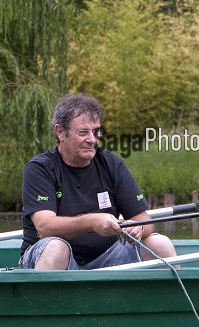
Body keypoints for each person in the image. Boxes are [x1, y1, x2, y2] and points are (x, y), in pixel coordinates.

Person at [20, 93, 174, 270]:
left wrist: (138, 229)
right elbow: (45, 227)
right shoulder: (40, 168)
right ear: (60, 132)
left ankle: (173, 298)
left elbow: (144, 220)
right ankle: (43, 297)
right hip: (50, 256)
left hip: (106, 259)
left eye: (96, 131)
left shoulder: (112, 165)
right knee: (56, 247)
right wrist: (92, 222)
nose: (92, 140)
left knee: (159, 243)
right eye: (83, 132)